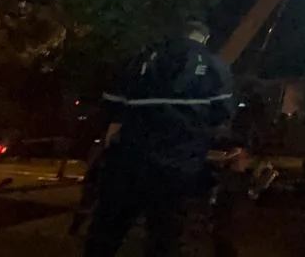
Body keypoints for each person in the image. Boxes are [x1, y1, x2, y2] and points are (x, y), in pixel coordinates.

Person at [83, 21, 237, 257]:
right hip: (178, 166)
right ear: (204, 38)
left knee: (107, 229)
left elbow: (111, 107)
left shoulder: (140, 60)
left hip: (129, 160)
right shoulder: (214, 66)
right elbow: (222, 113)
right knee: (165, 236)